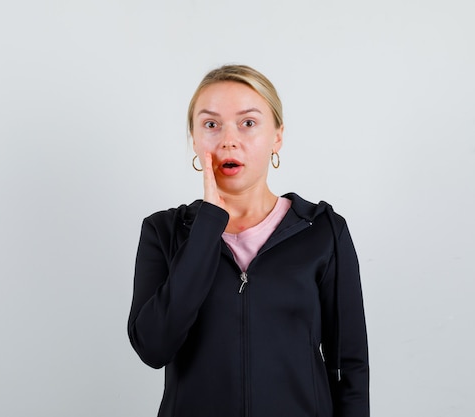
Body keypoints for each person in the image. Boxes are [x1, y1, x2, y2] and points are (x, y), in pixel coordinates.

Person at [127, 64, 369, 417]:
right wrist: (208, 225)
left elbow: (350, 366)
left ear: (277, 136)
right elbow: (153, 348)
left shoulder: (323, 231)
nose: (228, 140)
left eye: (248, 123)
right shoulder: (163, 232)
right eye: (211, 125)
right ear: (194, 138)